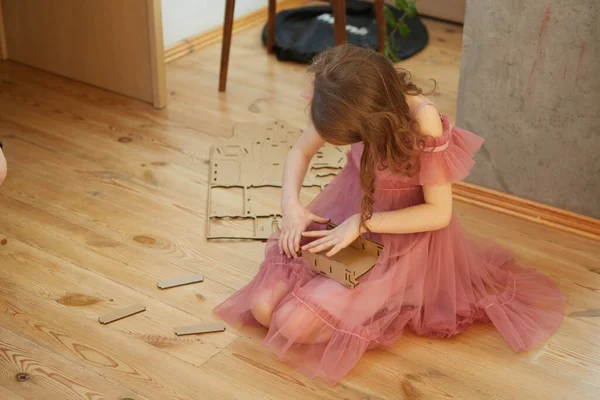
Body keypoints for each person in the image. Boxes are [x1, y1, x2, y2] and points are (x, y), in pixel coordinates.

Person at [214, 45, 565, 385]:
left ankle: (405, 288)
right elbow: (300, 152)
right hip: (350, 208)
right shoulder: (338, 92)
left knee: (291, 324)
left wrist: (363, 223)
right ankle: (339, 287)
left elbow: (439, 213)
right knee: (262, 309)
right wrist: (291, 206)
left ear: (371, 118)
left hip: (402, 233)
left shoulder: (422, 120)